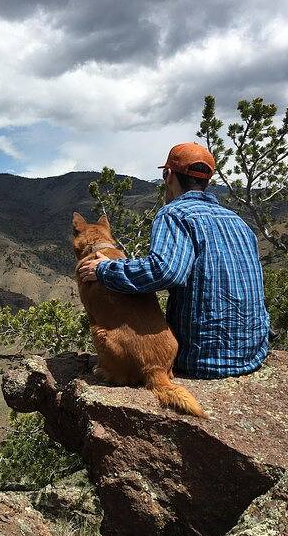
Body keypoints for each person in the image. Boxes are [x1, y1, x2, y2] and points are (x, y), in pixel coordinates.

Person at [77, 142, 270, 378]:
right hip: (253, 355)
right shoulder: (238, 221)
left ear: (168, 175)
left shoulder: (175, 213)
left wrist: (105, 270)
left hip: (201, 359)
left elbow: (165, 271)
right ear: (207, 182)